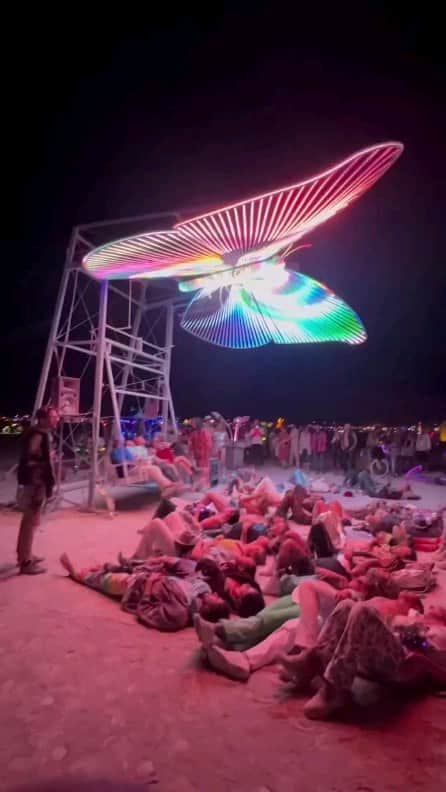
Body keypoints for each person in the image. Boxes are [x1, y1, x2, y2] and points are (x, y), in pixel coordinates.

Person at [280, 596, 445, 720]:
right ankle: (312, 662)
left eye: (439, 608)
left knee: (363, 611)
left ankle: (335, 690)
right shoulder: (415, 619)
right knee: (346, 605)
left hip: (402, 665)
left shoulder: (441, 633)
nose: (432, 605)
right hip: (383, 652)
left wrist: (424, 663)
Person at [16, 406, 59, 574]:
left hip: (38, 483)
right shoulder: (37, 435)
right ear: (43, 419)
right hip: (35, 484)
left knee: (33, 521)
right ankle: (25, 561)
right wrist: (39, 478)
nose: (57, 419)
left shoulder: (42, 435)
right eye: (54, 416)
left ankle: (26, 554)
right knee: (29, 521)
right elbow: (29, 460)